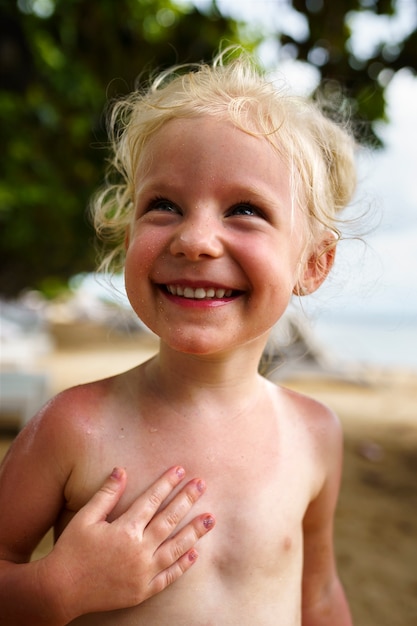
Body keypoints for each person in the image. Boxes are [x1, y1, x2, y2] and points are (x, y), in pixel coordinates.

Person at [0, 48, 356, 625]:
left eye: (244, 209)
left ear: (312, 264)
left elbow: (317, 596)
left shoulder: (316, 435)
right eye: (163, 205)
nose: (195, 240)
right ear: (126, 237)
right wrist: (56, 588)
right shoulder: (72, 427)